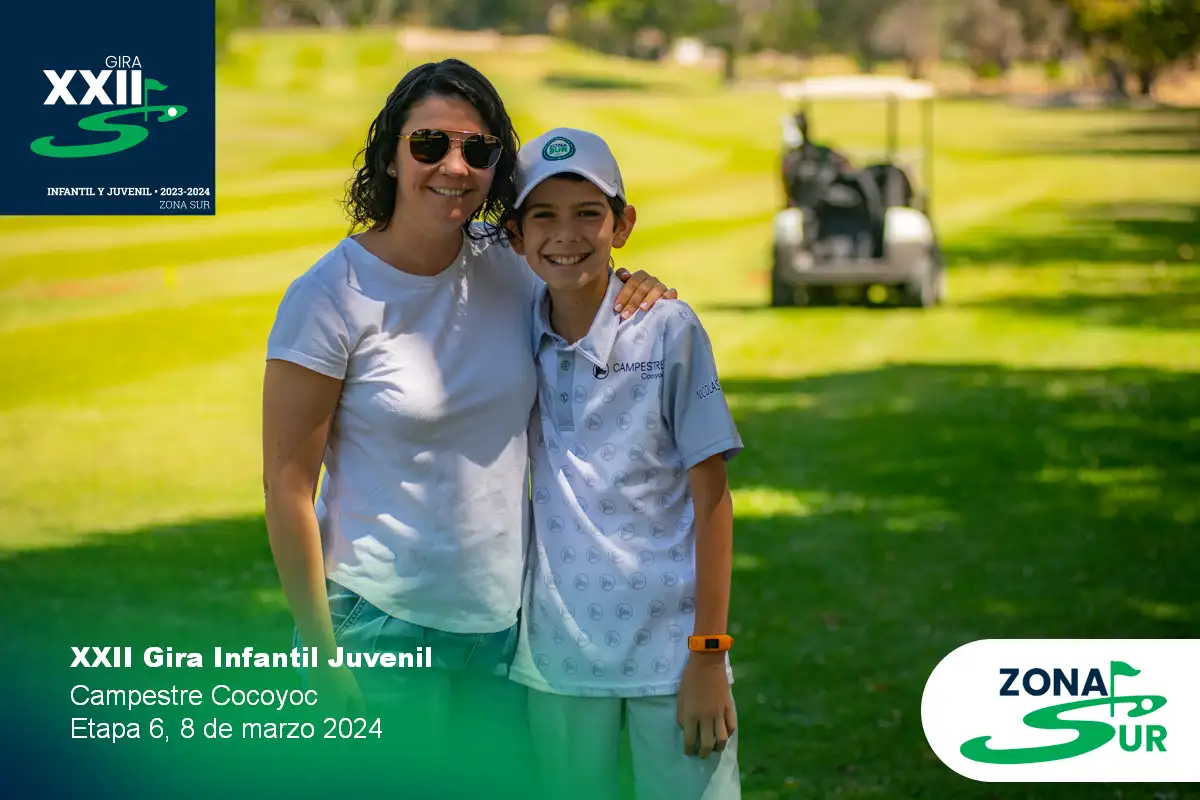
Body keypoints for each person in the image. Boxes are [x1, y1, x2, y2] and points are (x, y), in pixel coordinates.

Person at [260, 61, 676, 796]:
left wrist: (636, 285)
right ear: (391, 156)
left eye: (478, 150)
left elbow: (581, 270)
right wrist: (320, 657)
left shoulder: (509, 265)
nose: (454, 166)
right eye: (429, 144)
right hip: (377, 627)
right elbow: (288, 487)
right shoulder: (328, 297)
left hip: (503, 631)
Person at [502, 127, 743, 800]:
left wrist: (709, 653)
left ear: (623, 224)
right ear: (516, 235)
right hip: (558, 656)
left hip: (674, 653)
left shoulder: (669, 328)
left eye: (588, 213)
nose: (566, 234)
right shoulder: (512, 325)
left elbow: (713, 498)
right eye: (543, 216)